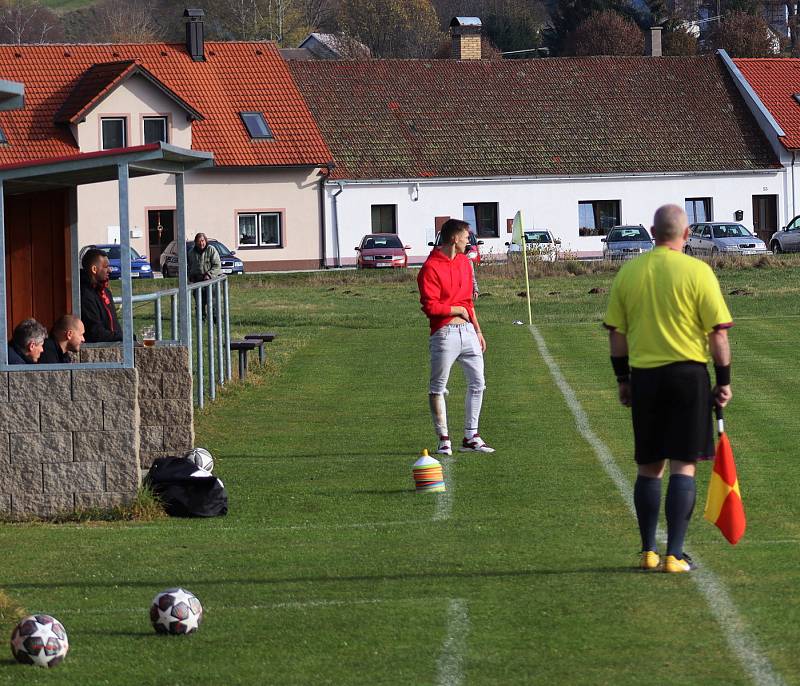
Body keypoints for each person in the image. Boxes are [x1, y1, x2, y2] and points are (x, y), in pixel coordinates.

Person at [603, 204, 733, 574]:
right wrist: (723, 382)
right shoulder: (698, 271)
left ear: (651, 231)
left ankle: (647, 550)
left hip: (645, 377)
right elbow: (717, 334)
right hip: (688, 376)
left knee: (649, 467)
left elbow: (617, 334)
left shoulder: (630, 272)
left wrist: (622, 379)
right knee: (684, 466)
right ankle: (675, 554)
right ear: (687, 233)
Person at [418, 218, 494, 455]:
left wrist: (478, 329)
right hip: (444, 334)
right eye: (466, 236)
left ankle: (471, 436)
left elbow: (468, 302)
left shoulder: (464, 263)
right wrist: (457, 310)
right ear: (454, 238)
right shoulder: (430, 268)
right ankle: (444, 440)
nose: (468, 240)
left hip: (468, 331)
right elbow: (431, 307)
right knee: (438, 387)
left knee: (478, 382)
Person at [80, 248, 122, 343]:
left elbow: (115, 325)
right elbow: (95, 332)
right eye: (106, 267)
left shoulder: (106, 292)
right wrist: (121, 336)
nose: (110, 270)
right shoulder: (84, 294)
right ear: (94, 269)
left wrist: (125, 336)